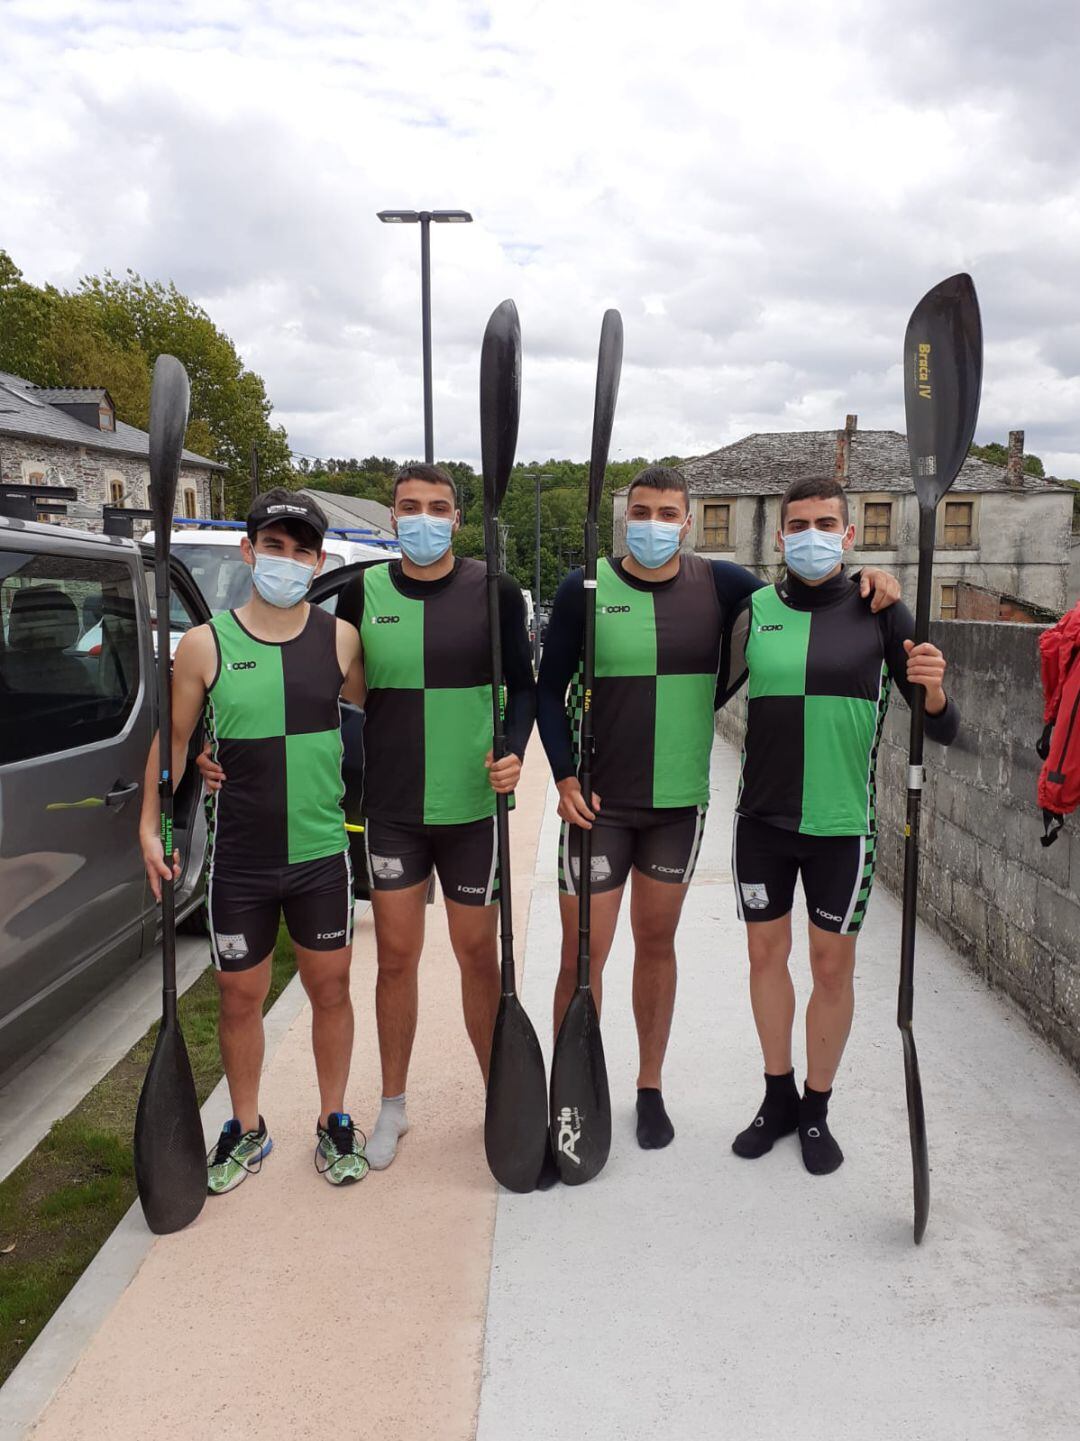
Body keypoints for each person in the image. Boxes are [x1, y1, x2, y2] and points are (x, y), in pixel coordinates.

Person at [536, 465, 902, 1153]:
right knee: (582, 955)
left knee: (655, 945)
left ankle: (649, 1088)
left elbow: (803, 611)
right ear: (626, 518)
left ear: (690, 519)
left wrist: (873, 580)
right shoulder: (583, 588)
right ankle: (571, 1095)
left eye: (667, 512)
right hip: (599, 804)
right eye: (641, 511)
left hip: (679, 806)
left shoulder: (724, 584)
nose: (653, 524)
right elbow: (548, 688)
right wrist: (560, 776)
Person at [718, 474, 960, 1175]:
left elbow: (941, 728)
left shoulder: (882, 612)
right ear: (781, 535)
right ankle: (777, 1097)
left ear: (849, 535)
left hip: (841, 827)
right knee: (766, 959)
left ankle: (817, 1109)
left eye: (827, 524)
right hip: (760, 822)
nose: (813, 536)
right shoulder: (753, 608)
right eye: (799, 525)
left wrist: (937, 689)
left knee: (831, 967)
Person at [141, 489, 369, 1193]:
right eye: (274, 545)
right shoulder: (207, 643)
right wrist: (149, 825)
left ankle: (334, 1118)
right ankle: (247, 1125)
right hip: (240, 859)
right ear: (249, 551)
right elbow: (174, 743)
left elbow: (367, 727)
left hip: (320, 855)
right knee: (240, 996)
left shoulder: (341, 639)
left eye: (302, 550)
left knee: (330, 989)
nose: (288, 560)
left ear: (319, 560)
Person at [334, 463, 536, 1170]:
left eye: (438, 506)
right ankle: (393, 1103)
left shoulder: (495, 591)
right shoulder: (364, 592)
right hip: (392, 811)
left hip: (471, 810)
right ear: (392, 517)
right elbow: (343, 683)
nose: (423, 518)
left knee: (478, 955)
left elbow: (524, 688)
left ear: (458, 516)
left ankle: (495, 1098)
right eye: (409, 507)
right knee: (395, 958)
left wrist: (512, 747)